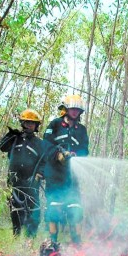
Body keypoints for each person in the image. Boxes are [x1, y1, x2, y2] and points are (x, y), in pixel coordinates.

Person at [42, 94, 89, 247]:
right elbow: (46, 146)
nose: (75, 112)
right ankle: (52, 244)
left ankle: (77, 244)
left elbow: (84, 150)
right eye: (72, 108)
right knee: (53, 210)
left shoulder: (81, 130)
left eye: (77, 109)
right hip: (54, 177)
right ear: (66, 109)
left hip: (72, 179)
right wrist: (58, 155)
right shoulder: (54, 125)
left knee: (75, 210)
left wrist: (75, 155)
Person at [0, 109, 46, 240]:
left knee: (34, 212)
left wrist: (39, 175)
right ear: (22, 123)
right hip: (15, 180)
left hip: (32, 182)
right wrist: (10, 135)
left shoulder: (40, 144)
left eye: (33, 123)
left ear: (36, 126)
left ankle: (30, 239)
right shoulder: (15, 138)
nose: (30, 125)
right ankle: (16, 237)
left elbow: (44, 163)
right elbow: (2, 147)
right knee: (16, 210)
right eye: (27, 122)